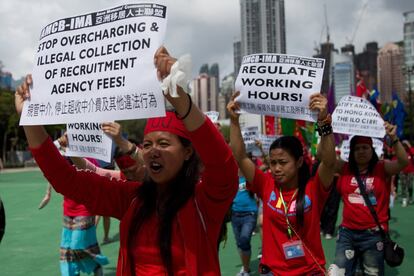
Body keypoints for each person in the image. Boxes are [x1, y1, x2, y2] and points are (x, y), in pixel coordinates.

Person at [15, 46, 238, 276]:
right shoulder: (131, 198)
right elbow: (66, 180)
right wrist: (29, 119)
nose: (152, 151)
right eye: (148, 144)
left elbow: (223, 163)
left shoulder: (206, 201)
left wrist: (179, 97)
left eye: (163, 144)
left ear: (188, 152)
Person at [228, 91, 336, 275]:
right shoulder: (265, 183)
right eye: (273, 163)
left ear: (299, 162)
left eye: (283, 162)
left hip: (309, 271)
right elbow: (239, 156)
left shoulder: (314, 187)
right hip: (272, 271)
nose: (276, 168)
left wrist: (324, 120)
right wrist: (234, 121)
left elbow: (329, 162)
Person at [331, 129, 408, 276]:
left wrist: (394, 138)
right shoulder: (345, 168)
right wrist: (326, 130)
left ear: (371, 149)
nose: (361, 151)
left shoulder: (382, 167)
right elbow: (325, 157)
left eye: (365, 147)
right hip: (347, 233)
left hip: (373, 235)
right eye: (357, 148)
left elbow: (404, 162)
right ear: (351, 152)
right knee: (338, 272)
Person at [231, 169, 258, 276]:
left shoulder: (249, 178)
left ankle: (246, 270)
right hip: (235, 215)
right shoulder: (231, 180)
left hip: (249, 214)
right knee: (239, 243)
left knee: (244, 239)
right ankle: (245, 267)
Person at [399, 140, 414, 207]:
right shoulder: (401, 151)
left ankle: (410, 196)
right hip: (402, 171)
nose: (404, 146)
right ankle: (404, 199)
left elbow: (413, 153)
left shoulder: (411, 150)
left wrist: (409, 146)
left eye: (405, 145)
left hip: (411, 171)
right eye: (403, 145)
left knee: (410, 185)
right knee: (403, 185)